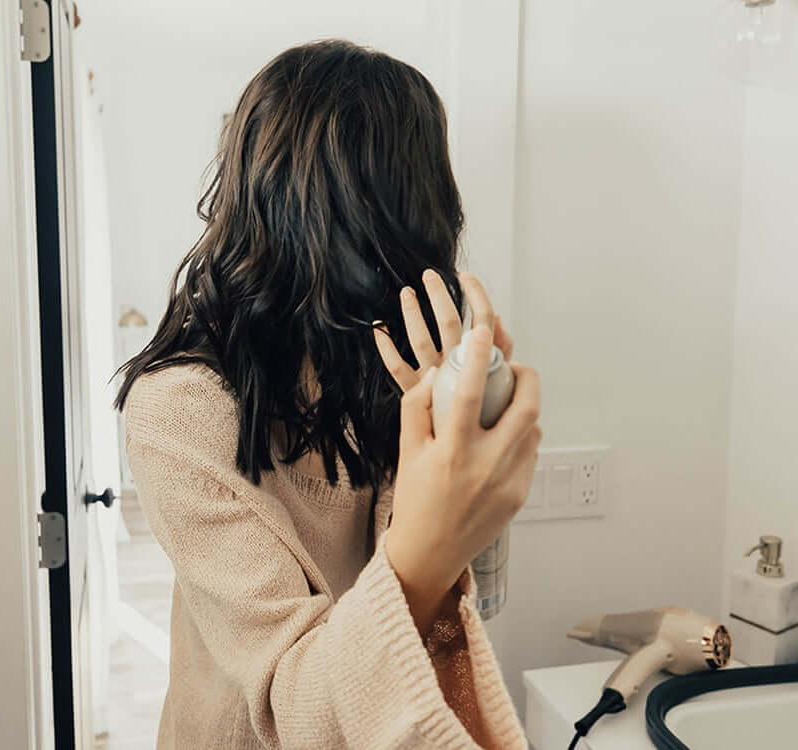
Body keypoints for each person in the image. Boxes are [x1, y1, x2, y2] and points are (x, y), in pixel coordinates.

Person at [116, 39, 540, 749]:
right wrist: (425, 545)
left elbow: (480, 604)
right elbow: (293, 710)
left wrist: (458, 435)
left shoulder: (399, 370)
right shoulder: (180, 412)